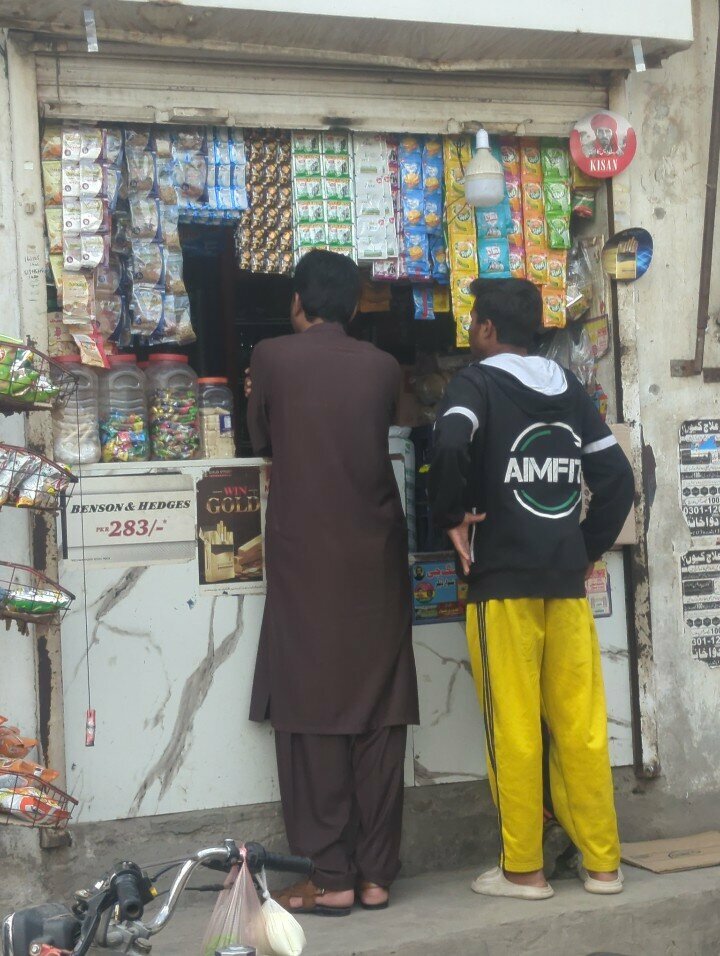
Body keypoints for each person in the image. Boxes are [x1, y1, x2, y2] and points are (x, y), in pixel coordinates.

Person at [429, 278, 634, 901]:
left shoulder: (477, 382)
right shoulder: (568, 388)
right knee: (582, 725)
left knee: (513, 727)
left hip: (503, 590)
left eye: (474, 322)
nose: (470, 332)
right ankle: (603, 866)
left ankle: (523, 870)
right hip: (565, 587)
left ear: (488, 329)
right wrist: (579, 549)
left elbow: (449, 443)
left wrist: (454, 515)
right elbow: (618, 479)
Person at [246, 249, 419, 916]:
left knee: (312, 710)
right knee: (380, 708)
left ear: (299, 302)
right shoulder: (382, 366)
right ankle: (377, 875)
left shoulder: (272, 356)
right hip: (375, 552)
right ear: (351, 306)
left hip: (305, 554)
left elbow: (262, 436)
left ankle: (330, 877)